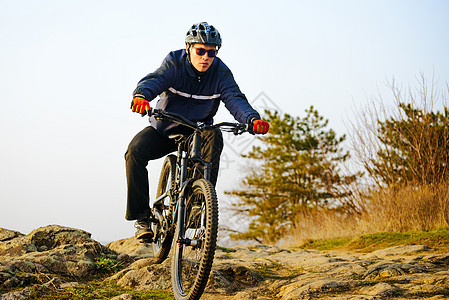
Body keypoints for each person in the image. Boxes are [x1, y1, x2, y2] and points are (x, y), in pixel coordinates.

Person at [125, 22, 270, 241]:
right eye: (200, 51)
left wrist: (252, 119)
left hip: (196, 132)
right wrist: (141, 96)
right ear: (188, 48)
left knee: (214, 135)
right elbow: (155, 80)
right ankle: (142, 219)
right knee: (134, 152)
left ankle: (199, 206)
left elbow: (235, 98)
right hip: (164, 128)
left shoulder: (220, 73)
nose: (205, 57)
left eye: (211, 52)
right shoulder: (174, 62)